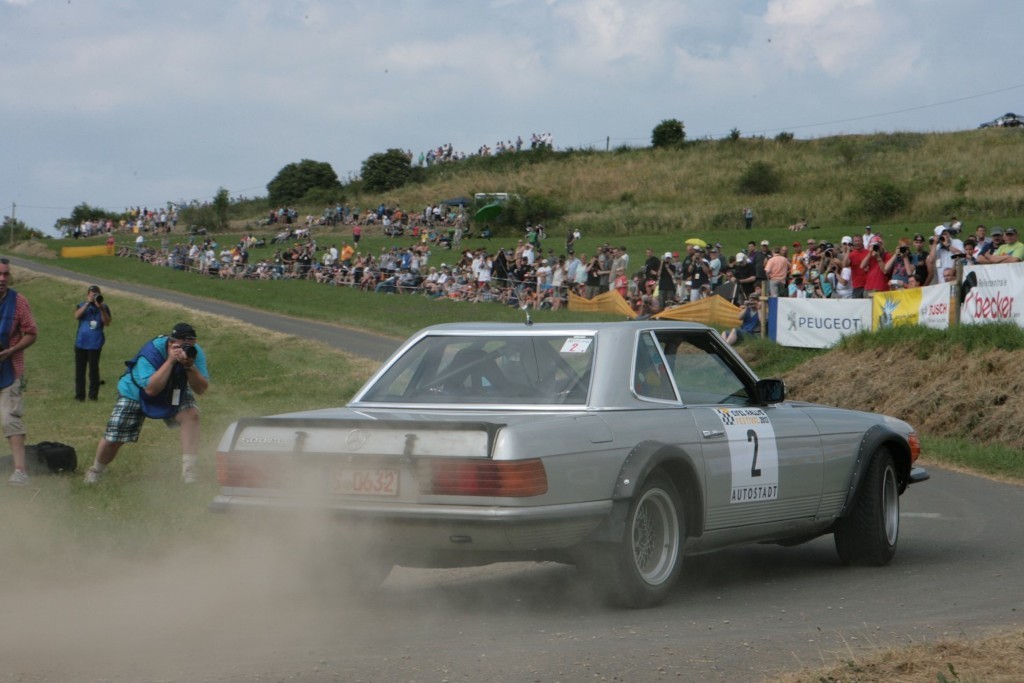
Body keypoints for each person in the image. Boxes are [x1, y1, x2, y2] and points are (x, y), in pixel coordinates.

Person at [85, 322, 210, 484]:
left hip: (173, 388)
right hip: (136, 392)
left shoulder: (195, 352)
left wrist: (189, 366)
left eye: (191, 345)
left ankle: (189, 471)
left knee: (191, 415)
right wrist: (170, 361)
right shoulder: (151, 352)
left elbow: (201, 389)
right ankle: (96, 470)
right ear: (171, 343)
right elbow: (151, 390)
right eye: (183, 346)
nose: (187, 349)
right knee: (114, 439)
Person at [0, 260, 38, 486]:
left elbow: (31, 333)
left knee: (9, 418)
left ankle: (20, 471)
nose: (2, 279)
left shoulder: (18, 301)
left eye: (6, 274)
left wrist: (11, 350)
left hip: (10, 370)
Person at [74, 285, 112, 401]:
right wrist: (87, 303)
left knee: (93, 370)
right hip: (81, 343)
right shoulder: (82, 305)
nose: (94, 296)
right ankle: (80, 396)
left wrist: (101, 308)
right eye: (92, 294)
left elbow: (107, 322)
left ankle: (93, 396)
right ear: (88, 295)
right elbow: (76, 315)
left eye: (96, 294)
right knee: (80, 371)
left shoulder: (104, 307)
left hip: (95, 344)